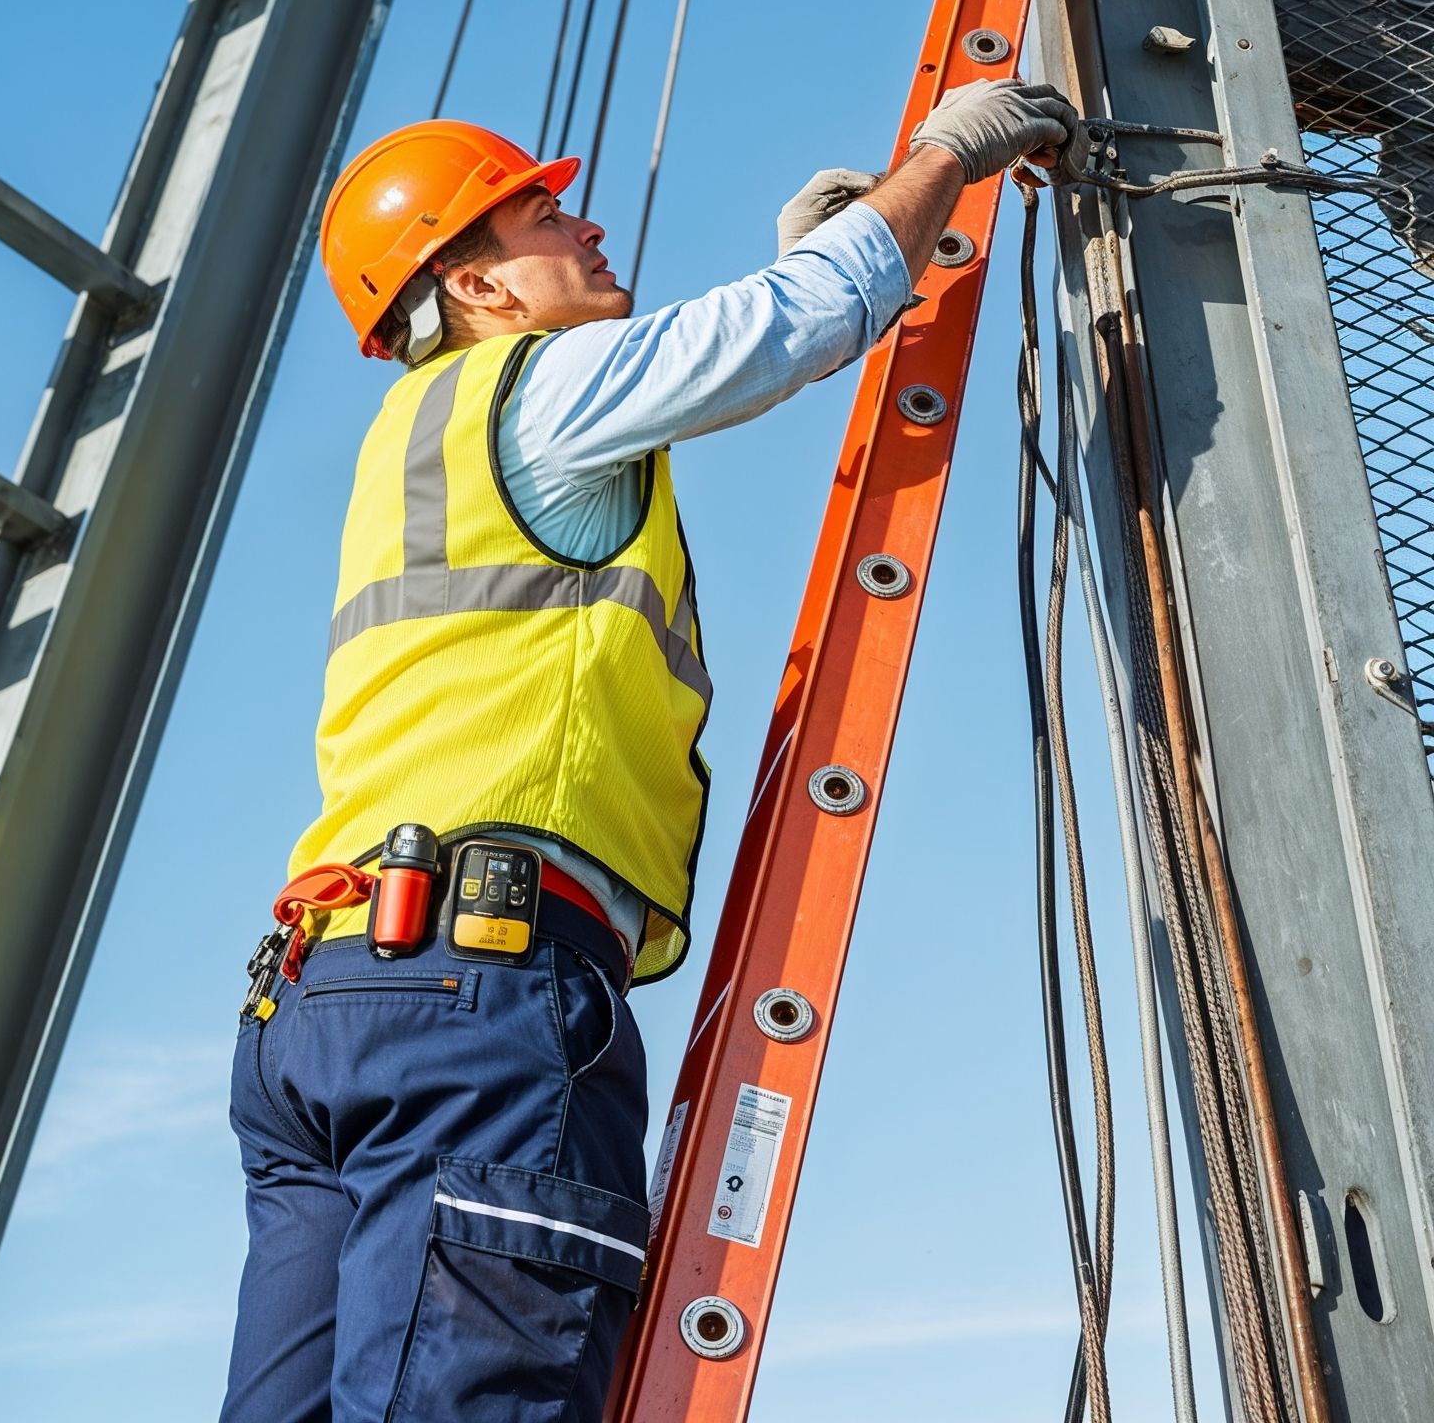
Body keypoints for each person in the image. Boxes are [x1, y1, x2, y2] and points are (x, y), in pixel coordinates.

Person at [220, 79, 1084, 1423]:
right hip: (474, 996)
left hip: (320, 1006)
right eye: (542, 216)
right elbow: (794, 324)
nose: (588, 227)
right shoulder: (536, 388)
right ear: (477, 288)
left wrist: (849, 250)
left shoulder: (418, 438)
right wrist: (944, 159)